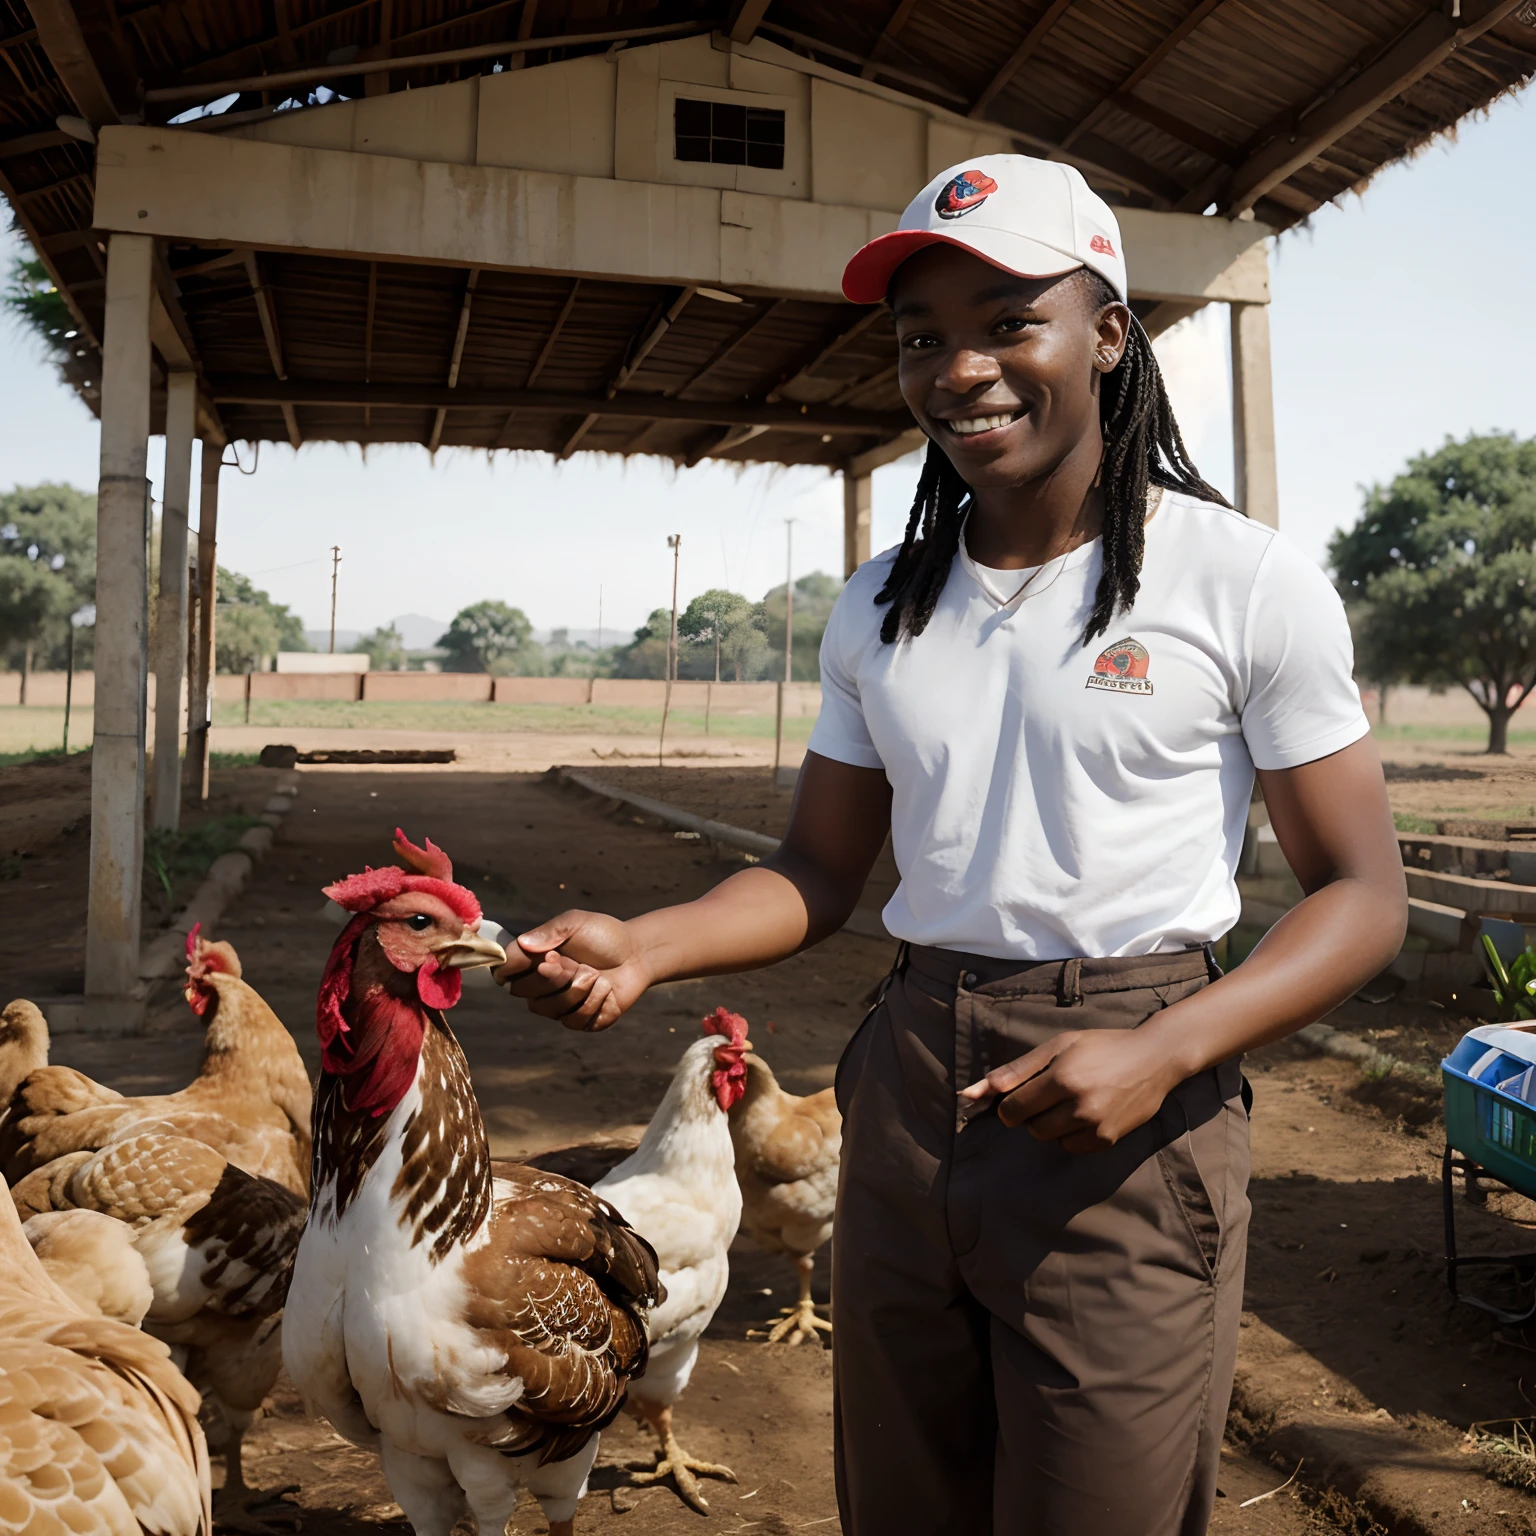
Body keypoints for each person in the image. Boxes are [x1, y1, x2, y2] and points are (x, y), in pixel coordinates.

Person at [495, 154, 1407, 1535]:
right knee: (907, 1500)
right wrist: (647, 946)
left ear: (1108, 332)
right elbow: (816, 872)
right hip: (912, 1085)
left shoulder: (1241, 581)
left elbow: (1364, 895)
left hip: (1132, 1091)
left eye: (1006, 322)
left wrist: (1162, 1048)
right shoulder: (881, 606)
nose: (960, 368)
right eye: (924, 339)